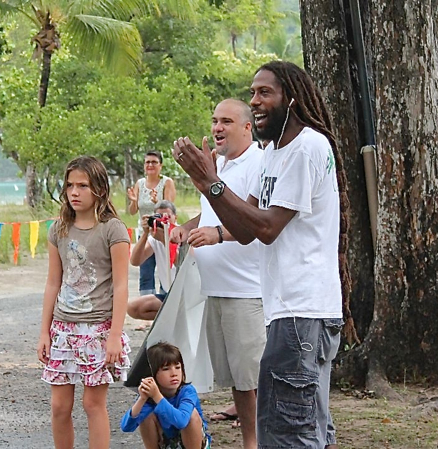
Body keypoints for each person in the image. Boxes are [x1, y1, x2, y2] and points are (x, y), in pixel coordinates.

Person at [172, 61, 350, 449]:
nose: (255, 100)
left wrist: (210, 181)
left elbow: (267, 228)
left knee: (289, 434)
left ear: (292, 98)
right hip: (287, 313)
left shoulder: (306, 148)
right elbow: (244, 229)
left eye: (265, 92)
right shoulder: (274, 153)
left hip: (303, 313)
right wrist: (207, 186)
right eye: (252, 93)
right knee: (306, 429)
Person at [170, 99, 265, 448]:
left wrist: (218, 235)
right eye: (214, 121)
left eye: (226, 121)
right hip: (215, 287)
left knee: (253, 377)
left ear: (247, 127)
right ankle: (248, 441)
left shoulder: (260, 164)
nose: (217, 128)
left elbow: (255, 220)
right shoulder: (217, 167)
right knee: (237, 380)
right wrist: (186, 227)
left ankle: (257, 442)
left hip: (247, 289)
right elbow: (210, 213)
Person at [37, 156, 131, 449]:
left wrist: (115, 335)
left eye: (83, 186)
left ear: (99, 189)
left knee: (93, 405)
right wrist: (44, 332)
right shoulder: (59, 229)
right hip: (62, 330)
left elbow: (121, 284)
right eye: (69, 186)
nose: (74, 192)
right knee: (59, 407)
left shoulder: (113, 229)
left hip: (97, 330)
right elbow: (53, 282)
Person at [121, 341, 211, 449]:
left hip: (192, 442)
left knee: (192, 415)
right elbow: (126, 427)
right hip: (166, 442)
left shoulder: (187, 391)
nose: (174, 373)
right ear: (152, 374)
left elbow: (181, 422)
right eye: (166, 369)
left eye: (177, 367)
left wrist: (157, 396)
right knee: (146, 416)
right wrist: (142, 399)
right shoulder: (150, 397)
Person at [127, 151, 177, 296]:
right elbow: (132, 211)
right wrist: (134, 201)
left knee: (166, 270)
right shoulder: (140, 184)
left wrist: (157, 203)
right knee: (146, 273)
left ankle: (165, 300)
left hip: (162, 233)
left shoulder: (167, 182)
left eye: (154, 162)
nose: (150, 165)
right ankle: (147, 303)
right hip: (145, 233)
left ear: (160, 165)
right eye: (147, 162)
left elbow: (169, 208)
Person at [128, 200, 178, 322]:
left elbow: (181, 262)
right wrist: (145, 234)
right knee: (132, 308)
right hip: (168, 294)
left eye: (167, 217)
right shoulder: (155, 237)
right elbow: (135, 261)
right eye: (159, 217)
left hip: (185, 293)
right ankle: (174, 319)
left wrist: (164, 240)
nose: (164, 221)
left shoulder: (180, 233)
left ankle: (176, 319)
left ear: (175, 217)